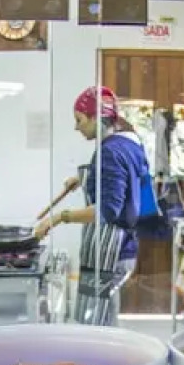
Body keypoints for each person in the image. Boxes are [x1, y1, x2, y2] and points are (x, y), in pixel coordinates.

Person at [34, 86, 157, 325]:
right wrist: (84, 177)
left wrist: (57, 218)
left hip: (110, 250)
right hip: (123, 247)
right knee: (105, 317)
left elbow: (107, 210)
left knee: (97, 322)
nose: (76, 127)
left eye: (79, 120)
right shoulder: (129, 142)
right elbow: (124, 178)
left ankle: (102, 361)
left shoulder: (109, 151)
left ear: (95, 117)